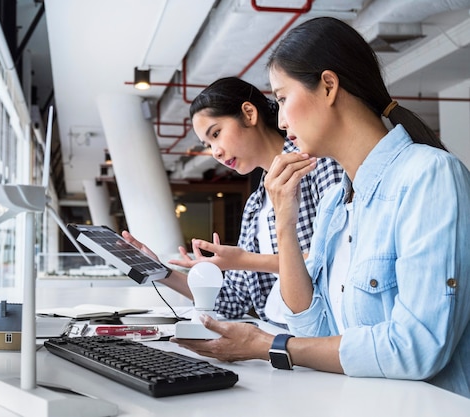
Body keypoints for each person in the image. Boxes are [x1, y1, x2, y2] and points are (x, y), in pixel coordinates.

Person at [171, 16, 470, 399]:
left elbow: (418, 347)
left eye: (281, 98)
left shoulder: (429, 177)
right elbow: (316, 329)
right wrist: (285, 223)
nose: (278, 118)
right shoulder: (335, 203)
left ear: (328, 86)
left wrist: (269, 345)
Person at [123, 76, 343, 324]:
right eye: (208, 144)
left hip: (321, 335)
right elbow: (232, 301)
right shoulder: (254, 208)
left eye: (216, 133)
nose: (215, 151)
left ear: (249, 114)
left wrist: (244, 260)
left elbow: (339, 257)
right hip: (276, 334)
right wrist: (158, 271)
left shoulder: (316, 163)